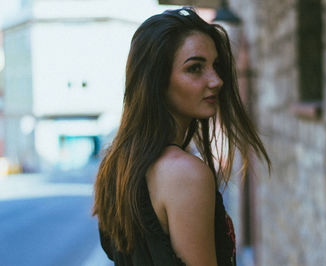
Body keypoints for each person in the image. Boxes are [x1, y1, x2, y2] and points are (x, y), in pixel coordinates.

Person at [92, 7, 270, 266]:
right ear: (157, 81)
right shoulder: (186, 174)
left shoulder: (118, 167)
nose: (217, 80)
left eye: (215, 66)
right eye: (195, 68)